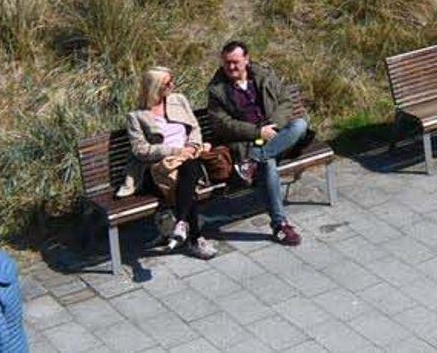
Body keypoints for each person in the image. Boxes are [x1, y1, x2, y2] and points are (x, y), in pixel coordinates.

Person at [204, 40, 308, 246]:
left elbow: (285, 102)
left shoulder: (264, 75)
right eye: (226, 63)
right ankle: (280, 225)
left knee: (300, 125)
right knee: (267, 163)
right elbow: (222, 125)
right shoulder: (217, 90)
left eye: (235, 62)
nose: (231, 67)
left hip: (277, 137)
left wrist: (273, 126)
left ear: (246, 59)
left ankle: (253, 161)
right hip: (250, 142)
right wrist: (258, 132)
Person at [127, 68, 220, 260]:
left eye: (172, 80)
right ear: (154, 87)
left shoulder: (178, 100)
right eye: (167, 83)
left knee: (188, 171)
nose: (172, 85)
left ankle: (181, 224)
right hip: (159, 166)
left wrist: (192, 146)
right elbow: (140, 150)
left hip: (188, 157)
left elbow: (195, 128)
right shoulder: (136, 116)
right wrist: (175, 151)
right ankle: (195, 238)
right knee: (188, 177)